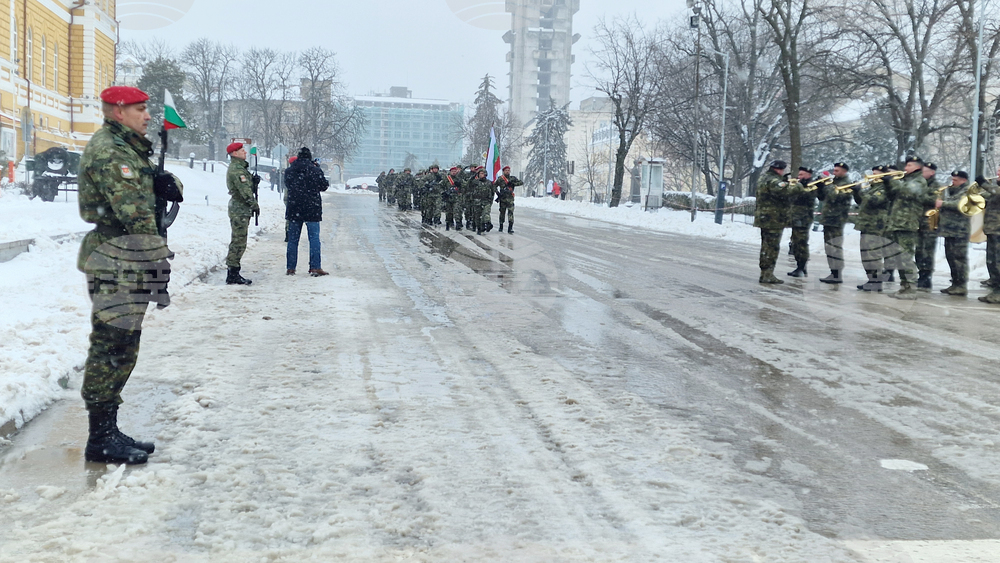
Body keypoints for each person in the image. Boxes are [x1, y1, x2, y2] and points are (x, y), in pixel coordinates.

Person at [77, 86, 183, 464]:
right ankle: (99, 436)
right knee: (110, 347)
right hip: (117, 259)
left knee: (124, 346)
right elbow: (134, 214)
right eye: (140, 109)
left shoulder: (131, 149)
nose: (148, 115)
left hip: (130, 258)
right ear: (118, 112)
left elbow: (146, 195)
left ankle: (110, 428)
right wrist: (157, 258)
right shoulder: (111, 151)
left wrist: (168, 185)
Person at [884, 155, 930, 299]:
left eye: (909, 165)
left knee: (906, 257)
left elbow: (908, 191)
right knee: (899, 257)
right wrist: (887, 183)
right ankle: (904, 287)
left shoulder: (919, 181)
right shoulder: (905, 180)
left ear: (917, 167)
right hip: (898, 222)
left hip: (908, 223)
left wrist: (892, 180)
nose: (905, 168)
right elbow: (892, 195)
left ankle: (911, 288)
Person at [284, 147, 330, 276]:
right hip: (312, 208)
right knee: (314, 238)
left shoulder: (289, 171)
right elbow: (324, 186)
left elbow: (288, 185)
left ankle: (291, 268)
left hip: (294, 208)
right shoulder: (315, 170)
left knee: (293, 240)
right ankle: (315, 267)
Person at [224, 142, 260, 285]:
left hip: (241, 209)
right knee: (238, 241)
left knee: (240, 241)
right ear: (235, 154)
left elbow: (247, 187)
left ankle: (233, 271)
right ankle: (233, 273)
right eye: (242, 150)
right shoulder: (237, 170)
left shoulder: (240, 168)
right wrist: (254, 204)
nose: (245, 152)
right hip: (239, 209)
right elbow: (244, 191)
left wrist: (254, 182)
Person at [853, 165, 891, 292]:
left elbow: (874, 201)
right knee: (865, 254)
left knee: (873, 254)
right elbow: (861, 202)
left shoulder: (885, 188)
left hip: (876, 225)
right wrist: (856, 192)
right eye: (873, 173)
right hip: (866, 224)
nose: (873, 176)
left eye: (876, 174)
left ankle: (876, 281)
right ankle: (871, 279)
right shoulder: (871, 188)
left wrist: (861, 192)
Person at [815, 162, 854, 284]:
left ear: (844, 172)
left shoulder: (847, 184)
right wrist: (820, 186)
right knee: (829, 247)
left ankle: (837, 274)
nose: (834, 173)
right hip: (828, 218)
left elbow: (833, 196)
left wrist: (827, 184)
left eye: (837, 171)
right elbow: (822, 197)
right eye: (834, 170)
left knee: (835, 247)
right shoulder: (834, 182)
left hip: (837, 218)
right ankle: (832, 272)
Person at [754, 159, 791, 284]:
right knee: (772, 247)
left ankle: (765, 273)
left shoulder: (764, 177)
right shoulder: (774, 180)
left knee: (766, 246)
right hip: (773, 219)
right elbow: (782, 191)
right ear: (780, 169)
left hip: (765, 217)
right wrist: (794, 186)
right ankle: (767, 274)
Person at [937, 171, 972, 296]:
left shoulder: (969, 191)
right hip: (949, 229)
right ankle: (955, 283)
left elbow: (961, 205)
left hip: (960, 230)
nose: (953, 182)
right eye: (952, 179)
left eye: (956, 180)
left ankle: (961, 285)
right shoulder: (949, 190)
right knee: (951, 257)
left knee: (959, 258)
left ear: (963, 180)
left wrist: (943, 204)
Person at [787, 166, 818, 277]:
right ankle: (799, 266)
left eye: (801, 175)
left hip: (804, 218)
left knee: (802, 244)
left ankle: (802, 266)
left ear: (808, 175)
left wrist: (799, 187)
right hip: (795, 217)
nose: (799, 177)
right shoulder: (798, 185)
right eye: (799, 174)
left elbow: (806, 197)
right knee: (795, 243)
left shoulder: (812, 186)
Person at [916, 162, 942, 291]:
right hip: (919, 221)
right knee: (919, 250)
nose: (921, 173)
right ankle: (921, 274)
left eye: (924, 171)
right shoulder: (921, 183)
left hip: (930, 223)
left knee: (927, 251)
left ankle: (926, 277)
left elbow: (934, 201)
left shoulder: (936, 186)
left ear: (932, 172)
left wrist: (918, 194)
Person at [976, 174, 1000, 303]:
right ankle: (995, 291)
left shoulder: (996, 190)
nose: (998, 174)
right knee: (992, 262)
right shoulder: (995, 190)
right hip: (992, 230)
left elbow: (995, 192)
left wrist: (983, 183)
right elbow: (988, 196)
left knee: (998, 262)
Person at [494, 165, 523, 234]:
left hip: (510, 199)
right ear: (503, 171)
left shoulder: (512, 178)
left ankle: (510, 228)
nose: (507, 171)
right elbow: (494, 186)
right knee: (502, 213)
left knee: (511, 213)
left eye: (508, 170)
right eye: (506, 170)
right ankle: (501, 226)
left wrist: (513, 183)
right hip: (503, 199)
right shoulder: (500, 179)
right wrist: (497, 193)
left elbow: (521, 182)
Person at [443, 166, 464, 231]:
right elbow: (440, 186)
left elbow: (465, 186)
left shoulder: (459, 179)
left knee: (457, 210)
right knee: (449, 211)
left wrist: (460, 185)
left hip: (457, 197)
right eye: (452, 171)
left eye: (455, 171)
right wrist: (444, 193)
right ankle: (448, 223)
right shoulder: (446, 179)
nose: (454, 172)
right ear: (450, 172)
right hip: (448, 197)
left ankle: (458, 223)